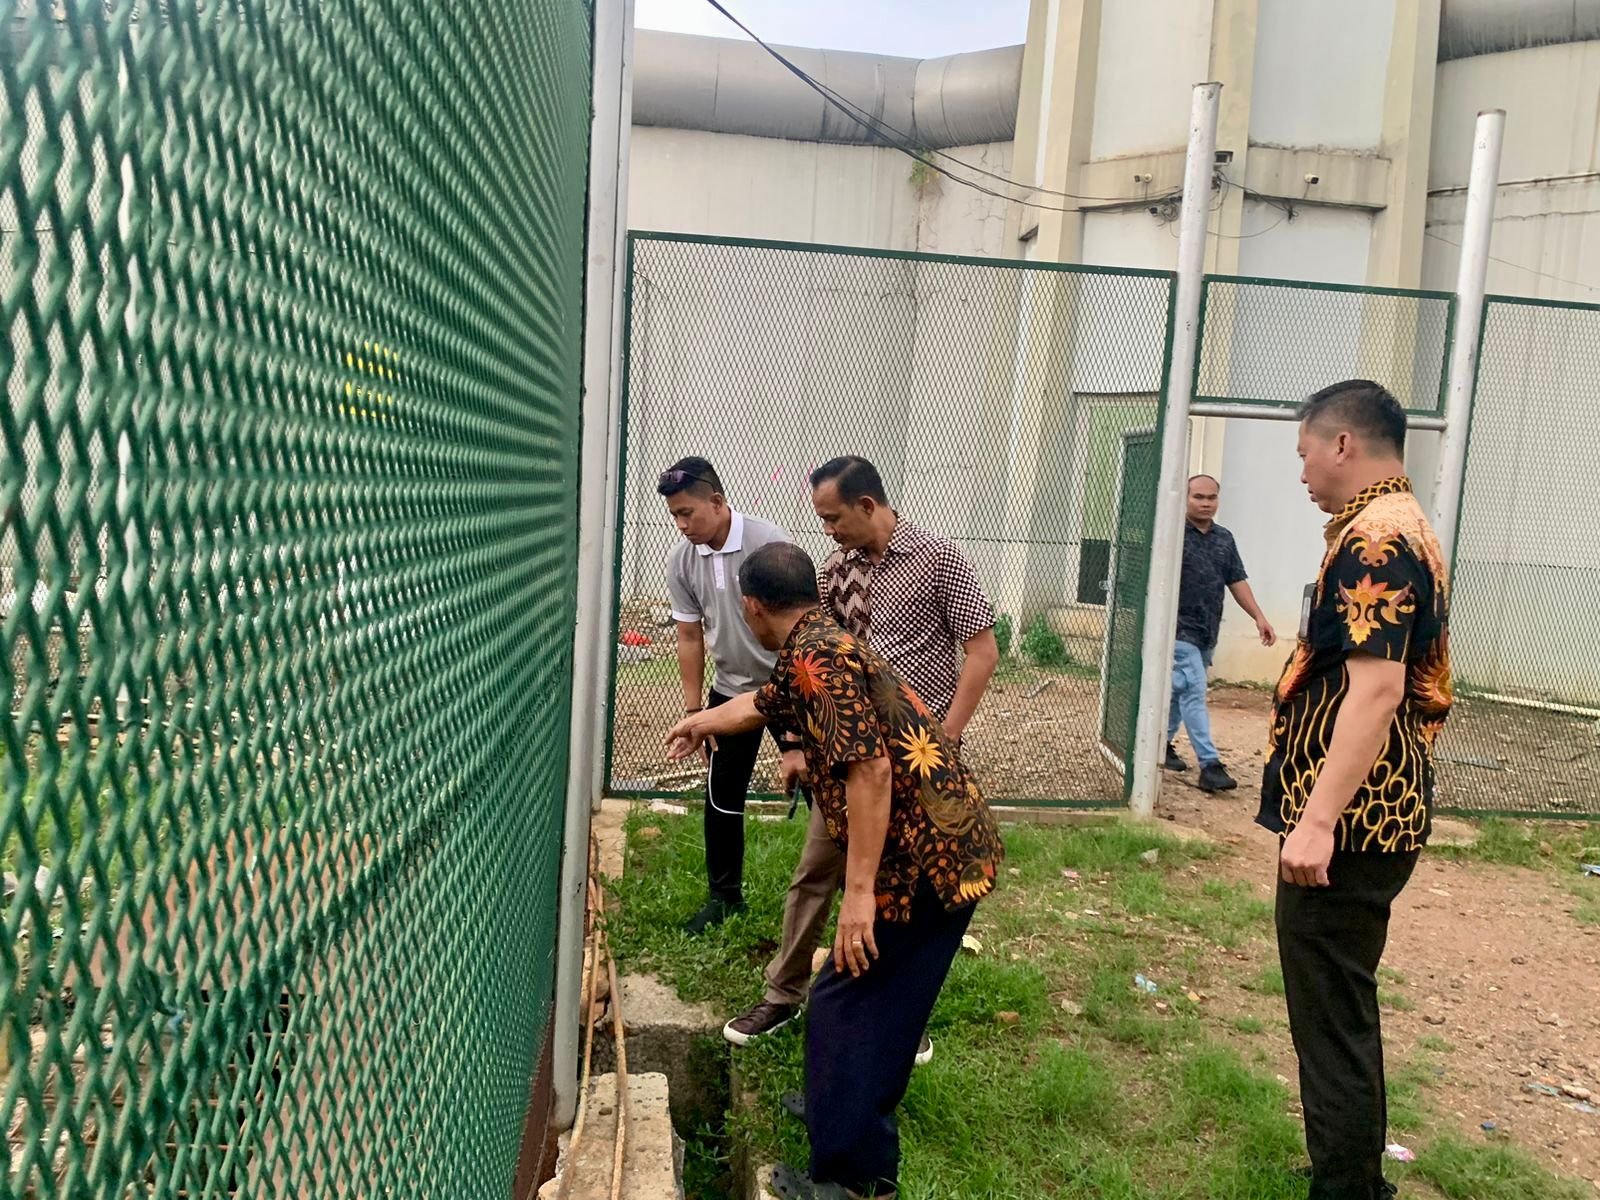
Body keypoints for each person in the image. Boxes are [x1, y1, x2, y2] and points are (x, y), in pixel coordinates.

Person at [666, 542, 1002, 1200]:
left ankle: (856, 1177)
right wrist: (702, 720)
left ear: (752, 607)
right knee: (871, 1001)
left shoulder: (818, 659)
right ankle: (837, 1107)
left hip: (926, 862)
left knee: (848, 1003)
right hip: (942, 846)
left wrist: (857, 897)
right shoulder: (816, 643)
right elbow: (762, 703)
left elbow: (870, 771)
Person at [724, 456, 999, 1063]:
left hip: (915, 767)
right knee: (815, 873)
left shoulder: (940, 559)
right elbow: (803, 662)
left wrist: (948, 735)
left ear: (867, 505)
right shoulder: (833, 573)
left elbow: (982, 652)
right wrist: (795, 743)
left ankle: (899, 1015)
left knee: (907, 897)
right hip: (849, 763)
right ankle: (783, 993)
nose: (828, 530)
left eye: (833, 518)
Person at [1264, 380, 1452, 1200]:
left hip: (1355, 821)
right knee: (1341, 1005)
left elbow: (1375, 690)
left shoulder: (1376, 540)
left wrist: (1316, 822)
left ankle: (1346, 1188)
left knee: (1331, 1016)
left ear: (1342, 443)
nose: (1302, 469)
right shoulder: (1397, 522)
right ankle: (1351, 1172)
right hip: (1373, 812)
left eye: (1305, 450)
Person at [659, 456, 793, 934]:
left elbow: (799, 621)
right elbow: (689, 636)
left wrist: (796, 721)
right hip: (730, 691)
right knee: (722, 795)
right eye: (674, 516)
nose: (681, 525)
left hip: (789, 688)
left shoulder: (768, 543)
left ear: (716, 501)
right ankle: (724, 898)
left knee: (825, 790)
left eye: (687, 513)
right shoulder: (683, 560)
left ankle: (845, 888)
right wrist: (696, 711)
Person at [1163, 474, 1277, 791]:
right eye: (1198, 497)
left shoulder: (1224, 539)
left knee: (1180, 688)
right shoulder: (1172, 535)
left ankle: (1162, 744)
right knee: (1194, 690)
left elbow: (1236, 580)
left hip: (1206, 631)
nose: (1205, 503)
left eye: (1211, 497)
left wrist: (1259, 617)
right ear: (1185, 498)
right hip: (1177, 631)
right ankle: (1210, 764)